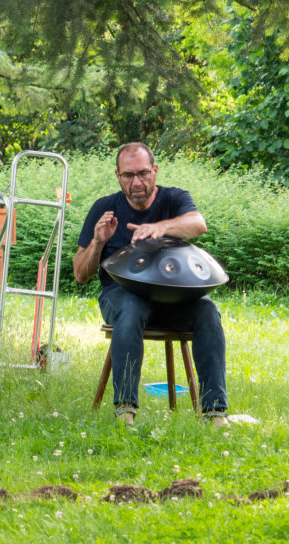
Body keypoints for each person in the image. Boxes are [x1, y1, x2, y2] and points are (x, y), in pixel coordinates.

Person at [73, 142, 228, 427]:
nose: (137, 182)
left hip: (172, 300)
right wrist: (98, 242)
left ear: (155, 171)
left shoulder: (174, 199)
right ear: (118, 176)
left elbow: (198, 224)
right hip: (120, 297)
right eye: (128, 175)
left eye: (143, 173)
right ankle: (125, 412)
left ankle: (215, 413)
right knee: (132, 306)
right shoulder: (104, 208)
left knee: (207, 310)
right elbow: (81, 274)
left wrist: (161, 227)